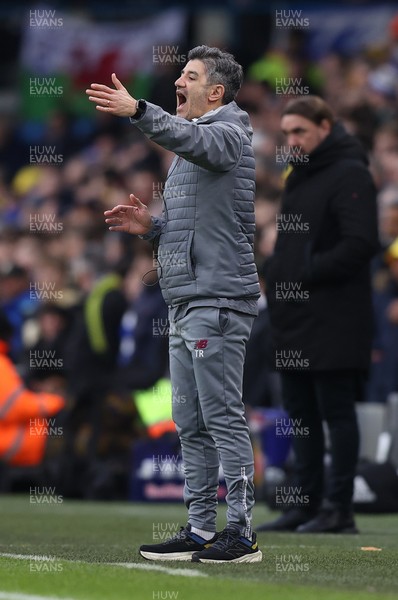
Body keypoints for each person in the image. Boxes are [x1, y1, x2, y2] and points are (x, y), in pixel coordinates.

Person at [86, 45, 262, 563]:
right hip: (188, 301)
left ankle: (243, 533)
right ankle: (203, 530)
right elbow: (196, 229)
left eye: (189, 76)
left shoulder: (230, 133)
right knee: (190, 421)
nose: (177, 83)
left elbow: (191, 138)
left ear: (216, 92)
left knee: (223, 416)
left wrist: (140, 111)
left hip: (219, 300)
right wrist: (153, 229)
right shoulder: (194, 147)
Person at [259, 96, 379, 533]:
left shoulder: (350, 173)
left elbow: (361, 243)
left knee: (336, 413)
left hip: (334, 318)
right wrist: (275, 271)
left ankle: (339, 509)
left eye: (300, 132)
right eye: (287, 132)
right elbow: (289, 245)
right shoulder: (299, 176)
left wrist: (304, 272)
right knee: (301, 414)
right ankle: (305, 504)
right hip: (294, 317)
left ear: (325, 128)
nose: (292, 140)